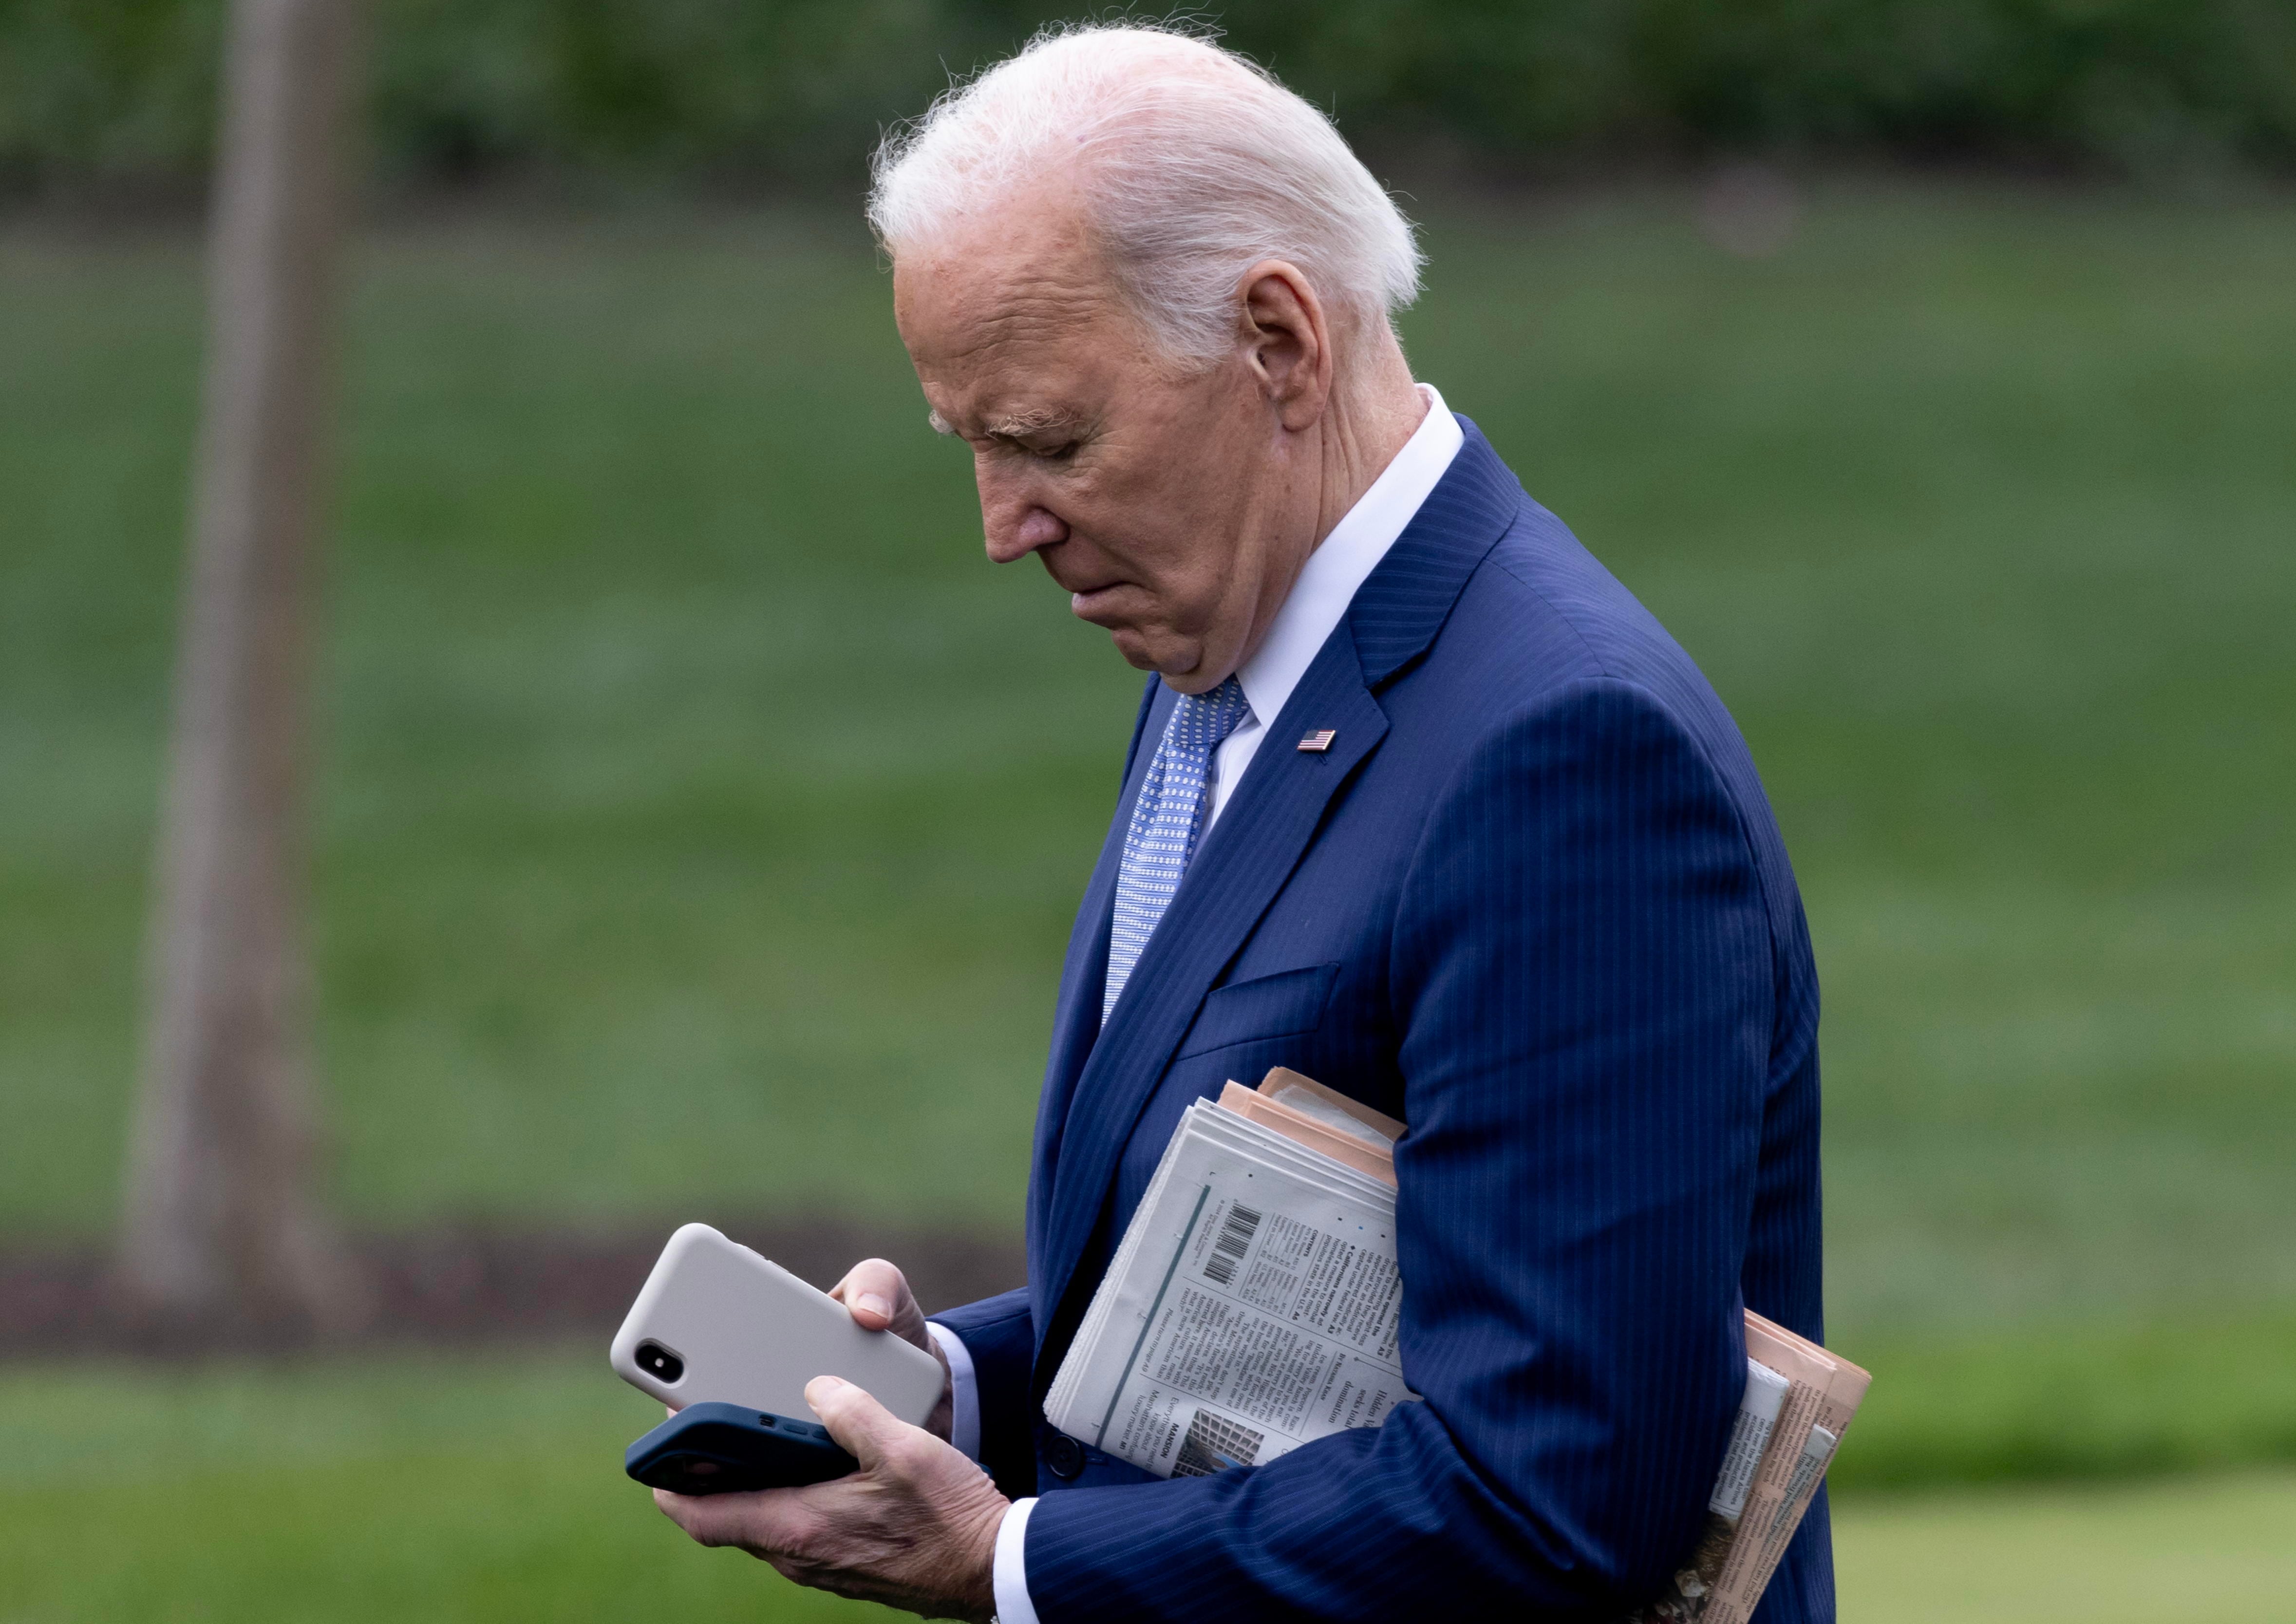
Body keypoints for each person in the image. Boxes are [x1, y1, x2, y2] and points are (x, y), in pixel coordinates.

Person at [652, 23, 1828, 1624]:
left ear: (1279, 342)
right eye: (977, 448)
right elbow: (1265, 1284)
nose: (1006, 528)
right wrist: (944, 1393)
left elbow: (1560, 1489)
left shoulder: (1569, 754)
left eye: (1053, 440)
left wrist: (1004, 1560)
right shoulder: (1236, 648)